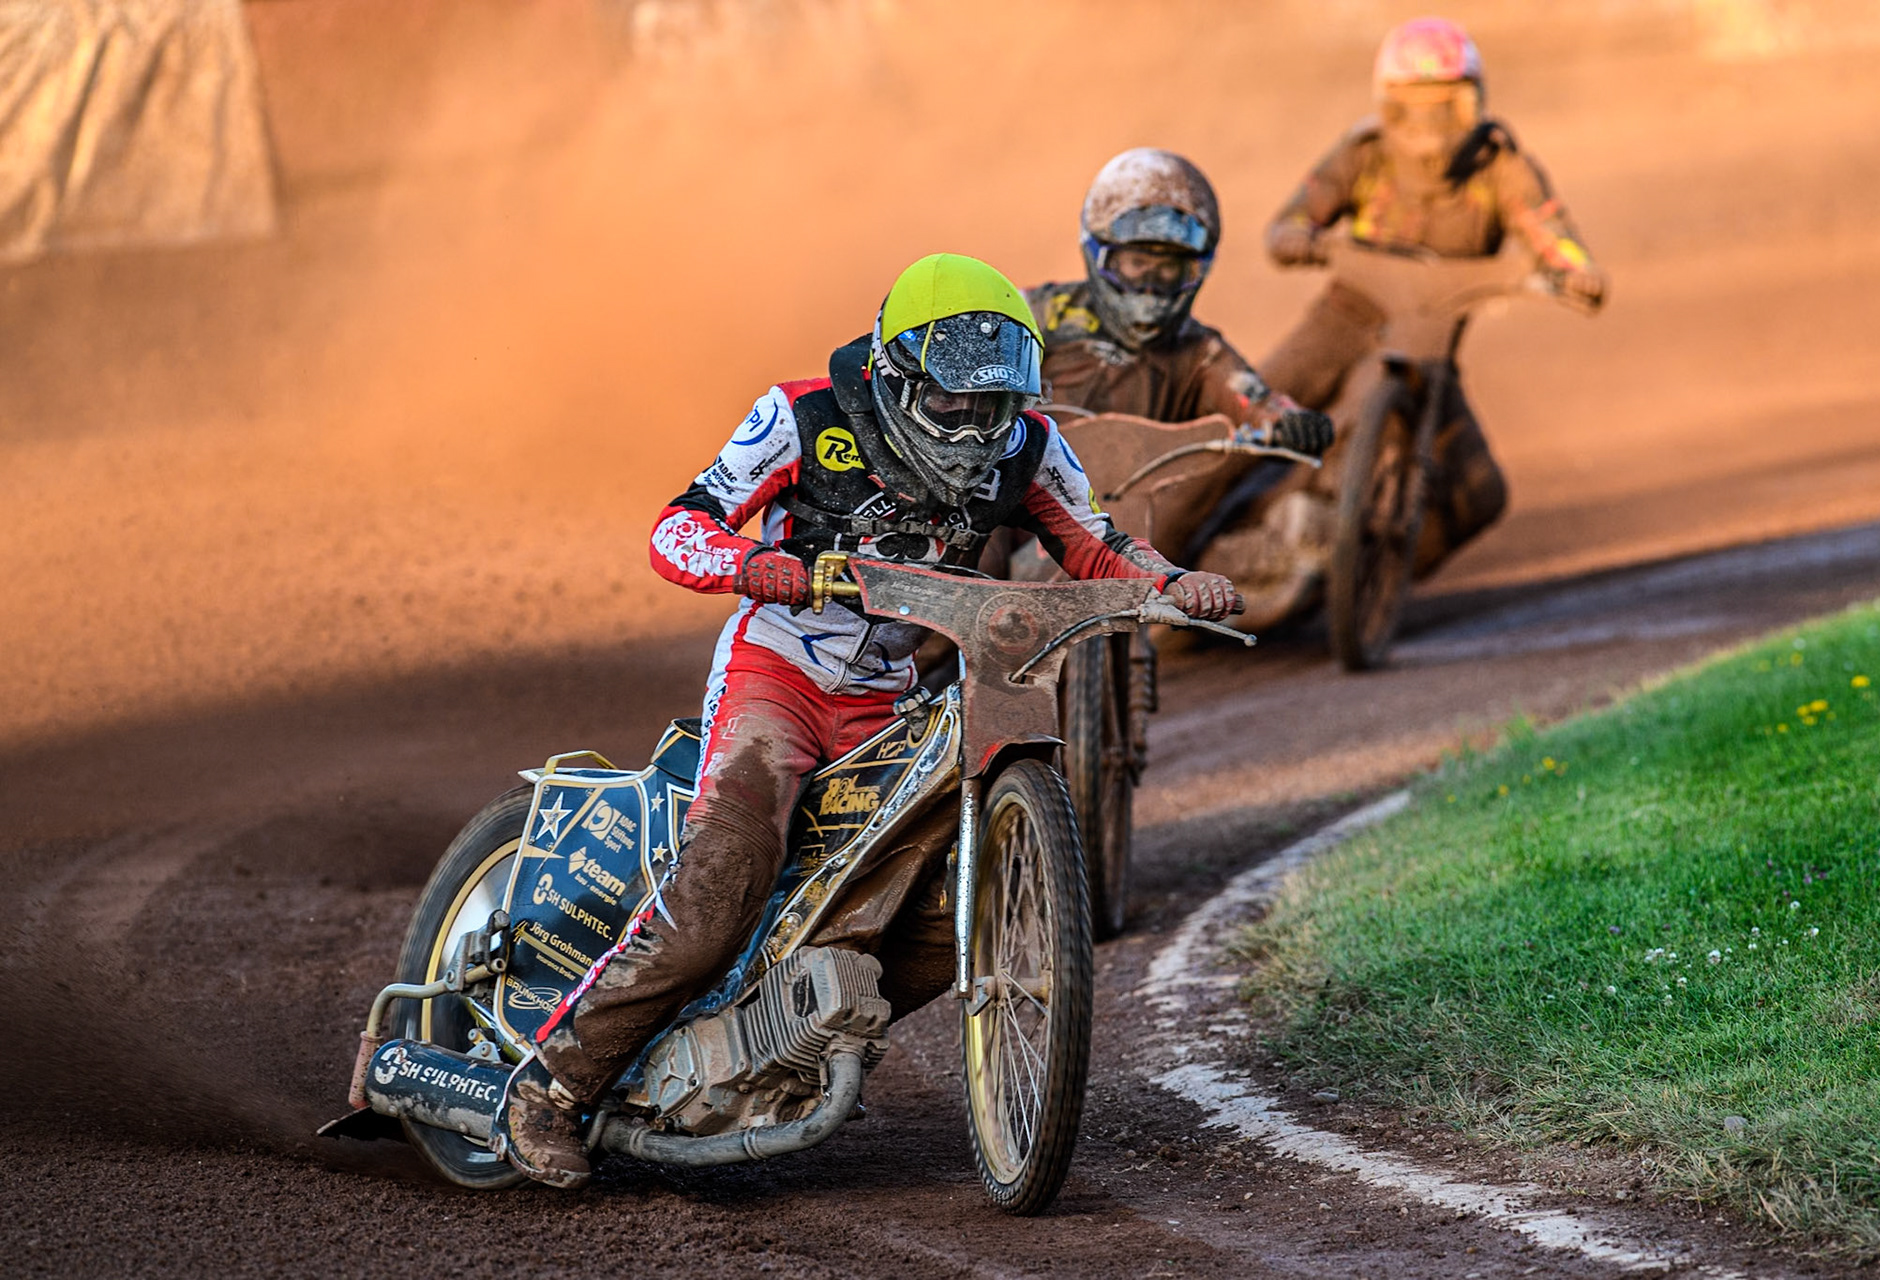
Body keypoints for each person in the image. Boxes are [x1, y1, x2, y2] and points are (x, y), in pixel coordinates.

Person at [494, 252, 1241, 1187]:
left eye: (995, 403)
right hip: (778, 674)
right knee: (722, 887)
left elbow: (1094, 543)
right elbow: (678, 527)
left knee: (935, 917)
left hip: (891, 694)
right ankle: (549, 1088)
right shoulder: (803, 416)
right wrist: (753, 565)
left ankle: (787, 1036)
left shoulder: (1033, 445)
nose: (977, 427)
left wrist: (1173, 583)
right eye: (954, 401)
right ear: (896, 376)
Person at [1255, 16, 1607, 582]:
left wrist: (1575, 271)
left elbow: (1552, 234)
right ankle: (1174, 547)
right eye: (1410, 111)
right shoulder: (1365, 153)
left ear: (1476, 106)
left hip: (1428, 349)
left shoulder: (1502, 168)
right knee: (1242, 417)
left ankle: (1356, 587)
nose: (1428, 130)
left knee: (1479, 495)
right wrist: (1295, 235)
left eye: (1446, 110)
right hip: (1340, 322)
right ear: (1385, 106)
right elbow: (1297, 215)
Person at [1026, 147, 1332, 470]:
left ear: (1197, 270)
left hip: (1137, 498)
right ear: (1098, 254)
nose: (1150, 285)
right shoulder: (1040, 313)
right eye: (1137, 263)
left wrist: (1290, 423)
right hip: (1024, 487)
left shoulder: (1201, 352)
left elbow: (1256, 401)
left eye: (1169, 268)